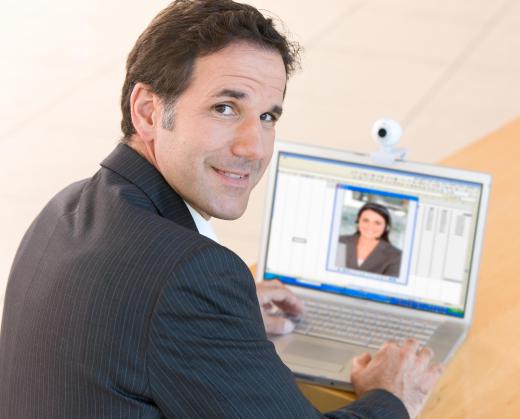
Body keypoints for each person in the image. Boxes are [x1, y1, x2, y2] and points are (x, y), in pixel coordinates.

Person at [0, 1, 442, 418]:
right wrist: (392, 395)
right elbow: (165, 293)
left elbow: (130, 317)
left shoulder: (67, 206)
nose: (254, 147)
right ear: (149, 112)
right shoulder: (189, 276)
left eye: (268, 116)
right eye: (225, 107)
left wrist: (223, 318)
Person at [337, 202, 402, 277]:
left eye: (377, 223)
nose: (370, 226)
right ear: (358, 222)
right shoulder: (339, 242)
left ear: (386, 227)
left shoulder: (395, 256)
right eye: (366, 220)